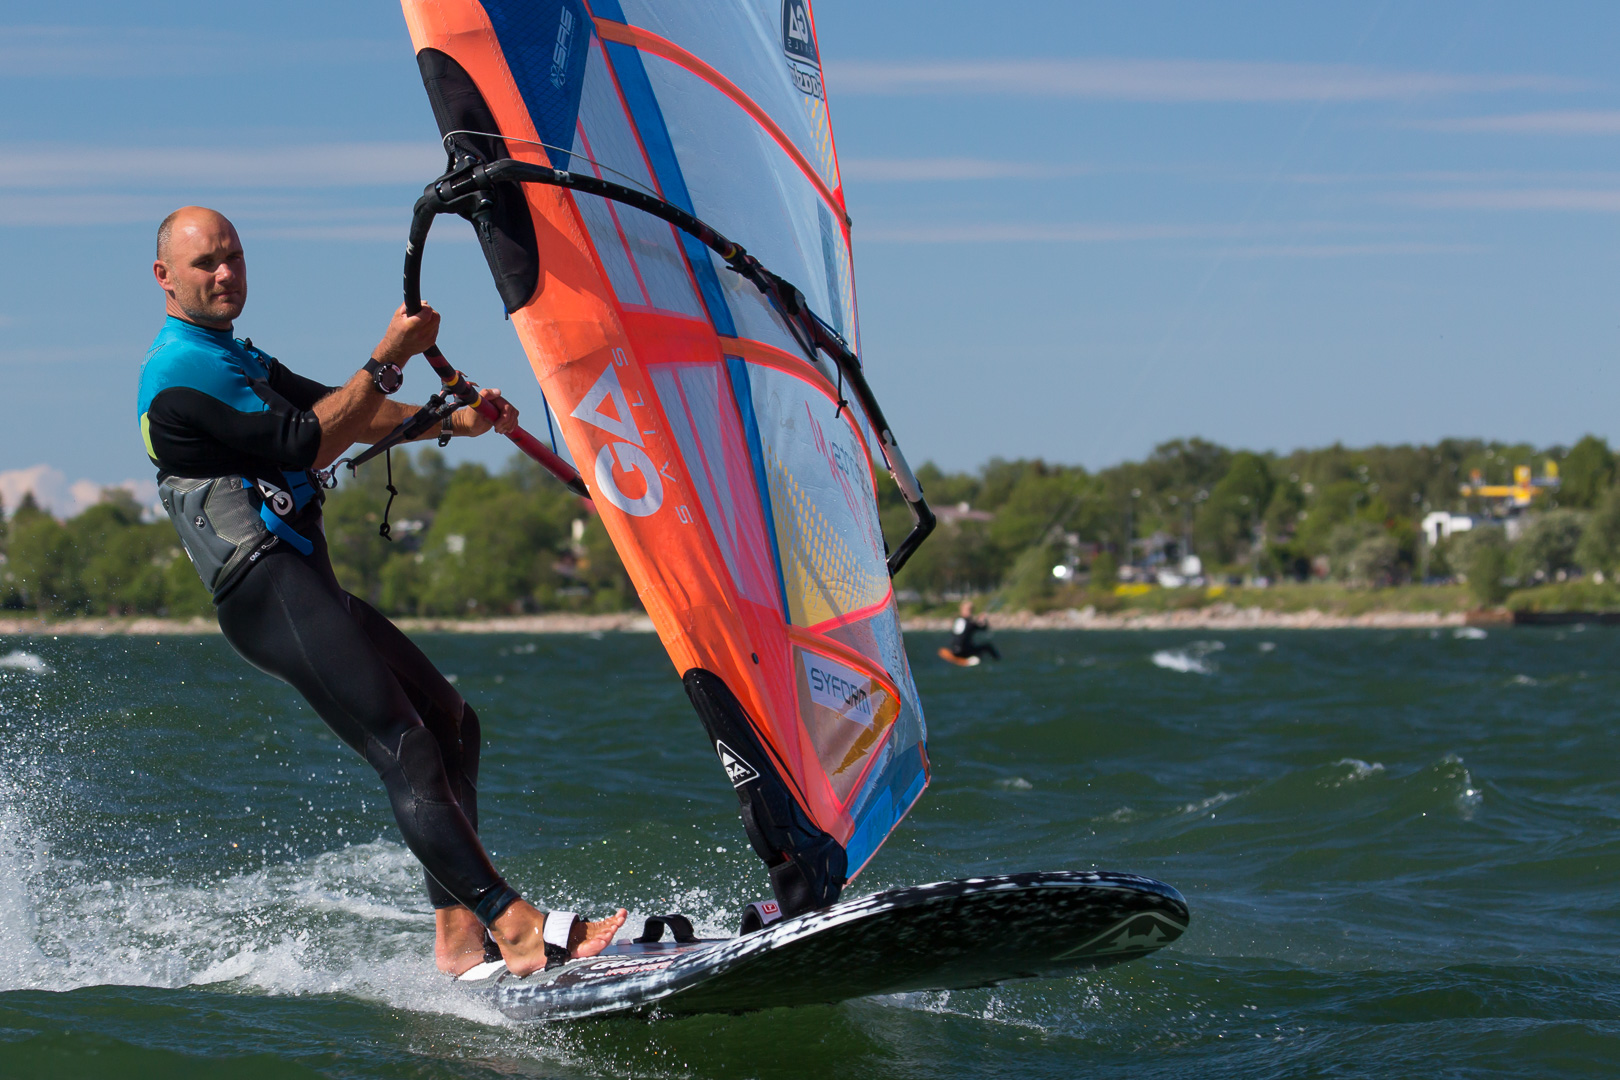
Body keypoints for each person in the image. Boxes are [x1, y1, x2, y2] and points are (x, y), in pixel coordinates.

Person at [137, 206, 625, 978]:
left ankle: (460, 936)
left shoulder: (234, 355)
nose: (225, 273)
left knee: (450, 722)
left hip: (302, 580)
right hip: (265, 591)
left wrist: (452, 421)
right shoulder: (179, 372)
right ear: (165, 277)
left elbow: (344, 407)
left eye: (233, 256)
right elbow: (306, 440)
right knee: (404, 746)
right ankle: (518, 925)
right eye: (205, 264)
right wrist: (390, 356)